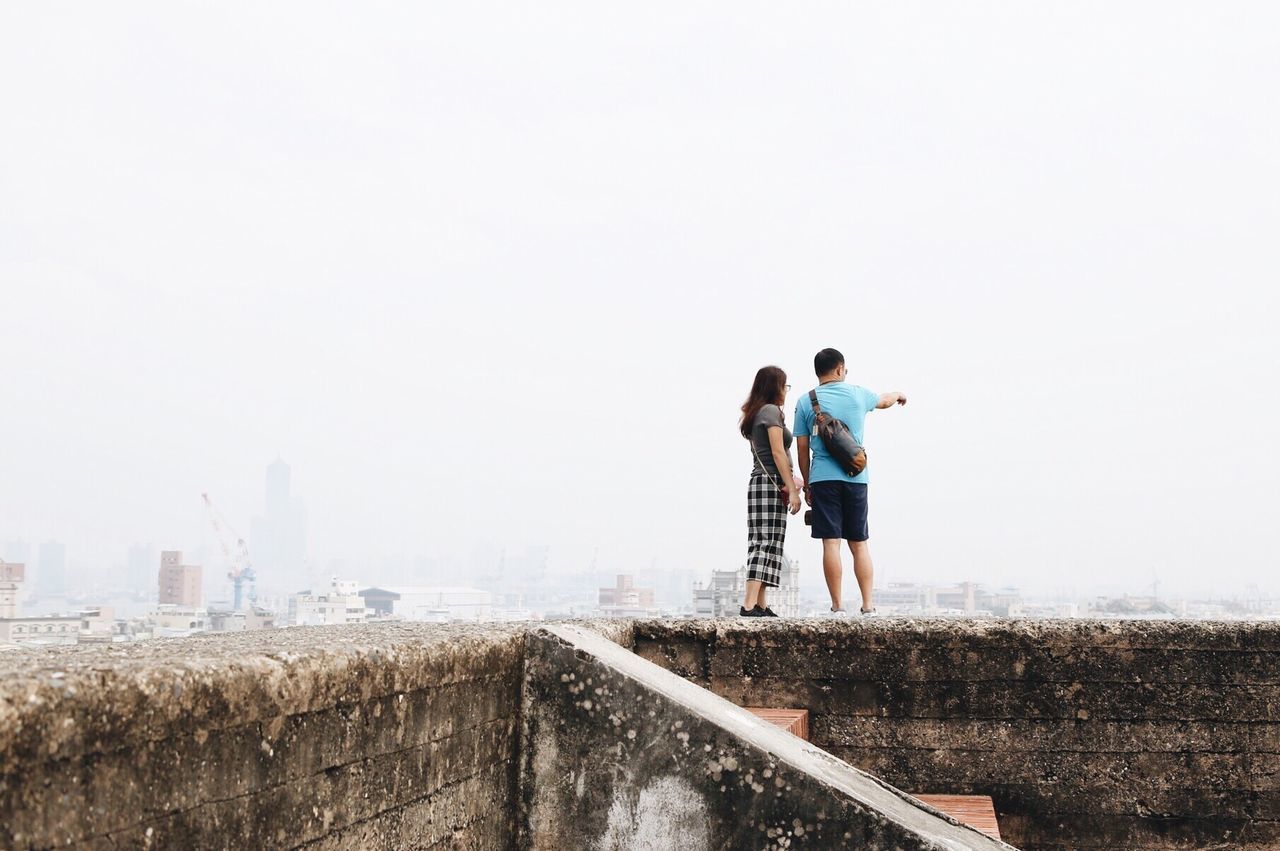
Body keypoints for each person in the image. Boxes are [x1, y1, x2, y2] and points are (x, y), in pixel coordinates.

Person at [794, 348, 906, 615]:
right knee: (859, 543)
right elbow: (884, 400)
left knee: (831, 542)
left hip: (823, 479)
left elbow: (801, 449)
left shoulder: (804, 401)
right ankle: (868, 606)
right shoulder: (858, 393)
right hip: (856, 476)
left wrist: (808, 484)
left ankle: (837, 606)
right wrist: (899, 394)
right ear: (840, 369)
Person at [739, 366, 801, 617]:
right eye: (784, 386)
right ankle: (749, 604)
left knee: (770, 542)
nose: (786, 391)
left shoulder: (759, 411)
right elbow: (777, 452)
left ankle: (761, 604)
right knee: (764, 542)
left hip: (764, 482)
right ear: (775, 387)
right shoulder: (770, 411)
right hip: (769, 482)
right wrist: (793, 490)